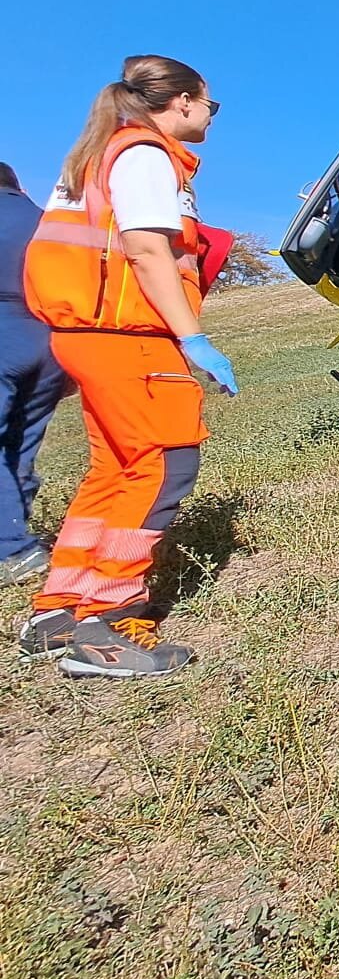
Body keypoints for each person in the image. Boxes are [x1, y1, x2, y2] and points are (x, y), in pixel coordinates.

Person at [17, 55, 239, 679]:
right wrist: (192, 337)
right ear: (183, 102)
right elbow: (146, 249)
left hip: (87, 336)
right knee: (165, 460)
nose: (210, 118)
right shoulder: (144, 154)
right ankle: (108, 621)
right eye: (209, 105)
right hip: (128, 337)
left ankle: (59, 608)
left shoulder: (97, 154)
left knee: (116, 467)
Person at [1, 163, 70, 586]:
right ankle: (16, 536)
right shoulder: (47, 219)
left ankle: (11, 548)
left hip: (3, 331)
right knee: (21, 443)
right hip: (49, 339)